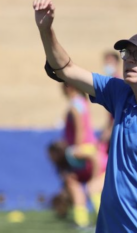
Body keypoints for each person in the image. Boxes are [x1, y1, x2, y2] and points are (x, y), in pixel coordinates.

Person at [33, 1, 137, 232]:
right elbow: (66, 68)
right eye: (127, 53)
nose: (130, 59)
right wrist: (46, 30)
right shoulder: (119, 92)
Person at [48, 83, 101, 228]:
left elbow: (80, 130)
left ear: (69, 87)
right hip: (90, 150)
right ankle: (91, 219)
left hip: (83, 152)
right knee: (87, 186)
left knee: (74, 183)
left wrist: (76, 149)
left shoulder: (75, 105)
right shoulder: (83, 103)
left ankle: (83, 220)